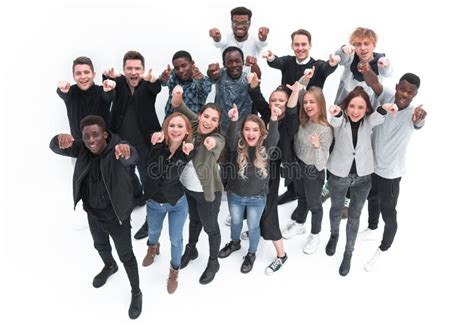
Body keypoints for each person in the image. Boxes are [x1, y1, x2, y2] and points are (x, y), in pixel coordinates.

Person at [49, 115, 142, 319]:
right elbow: (55, 148)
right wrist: (58, 139)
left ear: (105, 135)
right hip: (93, 213)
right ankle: (110, 266)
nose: (91, 140)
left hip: (117, 217)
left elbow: (132, 156)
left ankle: (136, 292)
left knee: (126, 256)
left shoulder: (118, 148)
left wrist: (127, 151)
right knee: (100, 246)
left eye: (96, 135)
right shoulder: (82, 147)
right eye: (87, 136)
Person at [359, 72, 427, 272]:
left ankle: (384, 247)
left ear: (415, 95)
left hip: (391, 173)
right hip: (372, 167)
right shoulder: (387, 96)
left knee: (389, 213)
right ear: (397, 86)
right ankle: (372, 227)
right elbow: (373, 82)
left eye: (410, 92)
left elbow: (418, 124)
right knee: (371, 198)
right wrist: (364, 68)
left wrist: (419, 120)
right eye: (402, 89)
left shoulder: (414, 113)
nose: (404, 94)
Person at [263, 28, 338, 206]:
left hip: (309, 120)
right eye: (296, 44)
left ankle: (316, 192)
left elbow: (327, 68)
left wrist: (333, 63)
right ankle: (292, 191)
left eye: (304, 44)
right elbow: (277, 62)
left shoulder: (317, 65)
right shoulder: (288, 62)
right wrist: (270, 56)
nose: (300, 47)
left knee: (308, 157)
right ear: (292, 46)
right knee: (289, 156)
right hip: (289, 119)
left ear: (310, 45)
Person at [325, 87, 395, 276]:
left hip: (363, 178)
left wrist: (385, 107)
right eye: (352, 106)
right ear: (347, 107)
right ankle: (334, 235)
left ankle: (348, 253)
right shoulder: (341, 121)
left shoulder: (368, 122)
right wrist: (337, 112)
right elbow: (336, 119)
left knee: (354, 216)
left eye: (361, 107)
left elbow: (378, 116)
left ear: (366, 109)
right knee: (335, 209)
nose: (356, 111)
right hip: (338, 175)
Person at [326, 27, 393, 214]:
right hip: (342, 111)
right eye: (358, 44)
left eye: (366, 44)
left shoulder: (379, 60)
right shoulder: (350, 59)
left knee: (355, 152)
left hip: (363, 117)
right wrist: (343, 49)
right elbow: (341, 57)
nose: (362, 48)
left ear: (374, 44)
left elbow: (387, 71)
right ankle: (329, 183)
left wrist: (385, 64)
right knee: (334, 147)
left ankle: (348, 195)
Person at [103, 50, 162, 240]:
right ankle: (137, 197)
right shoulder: (118, 83)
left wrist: (153, 80)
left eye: (137, 68)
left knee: (148, 180)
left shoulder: (148, 84)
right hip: (122, 144)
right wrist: (107, 78)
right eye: (129, 68)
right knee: (127, 176)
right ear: (124, 70)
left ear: (143, 70)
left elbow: (156, 88)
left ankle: (151, 219)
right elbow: (108, 88)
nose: (133, 72)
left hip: (146, 144)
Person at [171, 85, 226, 285]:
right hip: (188, 188)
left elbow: (215, 144)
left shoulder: (217, 137)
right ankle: (191, 249)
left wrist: (209, 142)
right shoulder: (193, 123)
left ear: (218, 124)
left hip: (207, 192)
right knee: (194, 221)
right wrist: (177, 94)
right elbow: (178, 105)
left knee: (210, 227)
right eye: (206, 116)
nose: (208, 121)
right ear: (200, 114)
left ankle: (213, 262)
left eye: (214, 120)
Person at [248, 74, 301, 274]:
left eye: (281, 101)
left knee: (268, 206)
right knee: (254, 201)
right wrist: (253, 85)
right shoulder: (267, 113)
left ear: (287, 103)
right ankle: (256, 228)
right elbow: (257, 97)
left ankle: (281, 254)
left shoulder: (289, 121)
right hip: (257, 167)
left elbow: (293, 110)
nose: (276, 104)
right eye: (273, 100)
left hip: (272, 170)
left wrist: (295, 91)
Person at [218, 103, 280, 273]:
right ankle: (235, 243)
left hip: (256, 198)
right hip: (235, 195)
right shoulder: (237, 146)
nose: (250, 133)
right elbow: (230, 138)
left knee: (253, 226)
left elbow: (274, 137)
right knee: (236, 221)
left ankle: (251, 253)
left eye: (255, 129)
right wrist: (234, 120)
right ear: (242, 131)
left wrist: (274, 118)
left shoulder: (266, 148)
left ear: (261, 132)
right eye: (247, 129)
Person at [141, 113, 194, 294]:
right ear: (166, 128)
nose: (176, 129)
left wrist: (191, 152)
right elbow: (150, 168)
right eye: (172, 125)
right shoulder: (157, 144)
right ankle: (153, 248)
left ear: (186, 131)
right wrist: (154, 140)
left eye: (180, 126)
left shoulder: (187, 151)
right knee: (153, 231)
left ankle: (174, 271)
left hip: (177, 203)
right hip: (154, 202)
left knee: (175, 238)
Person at [283, 87, 333, 255]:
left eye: (312, 102)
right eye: (305, 102)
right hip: (299, 166)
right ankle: (299, 224)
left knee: (315, 205)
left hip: (313, 171)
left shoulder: (326, 129)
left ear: (320, 103)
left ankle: (315, 234)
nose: (308, 105)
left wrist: (318, 146)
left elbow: (322, 163)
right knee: (301, 197)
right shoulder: (304, 121)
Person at [57, 56, 116, 141]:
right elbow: (63, 93)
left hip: (103, 148)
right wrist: (61, 88)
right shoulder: (71, 92)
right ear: (73, 76)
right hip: (80, 148)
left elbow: (109, 96)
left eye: (86, 72)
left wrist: (109, 88)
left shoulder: (102, 91)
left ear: (93, 75)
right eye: (78, 73)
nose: (83, 76)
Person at [207, 46, 260, 132]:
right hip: (221, 130)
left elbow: (257, 76)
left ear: (243, 61)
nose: (234, 65)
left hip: (243, 132)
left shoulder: (248, 77)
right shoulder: (220, 74)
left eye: (237, 61)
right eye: (230, 62)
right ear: (224, 64)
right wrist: (210, 71)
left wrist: (254, 65)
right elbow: (212, 75)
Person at [159, 50, 212, 116]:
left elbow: (206, 88)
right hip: (170, 121)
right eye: (177, 68)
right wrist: (163, 77)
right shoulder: (173, 75)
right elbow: (163, 82)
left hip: (191, 124)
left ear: (192, 63)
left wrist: (200, 80)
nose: (180, 70)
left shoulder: (203, 80)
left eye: (184, 66)